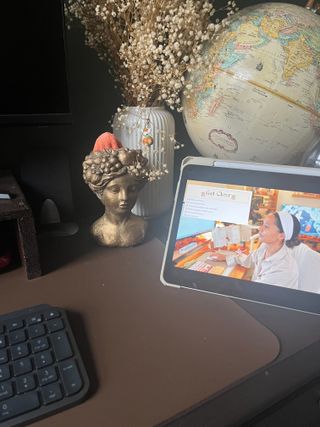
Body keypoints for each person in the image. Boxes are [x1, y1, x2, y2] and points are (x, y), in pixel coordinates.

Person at [211, 211, 301, 289]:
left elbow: (254, 292)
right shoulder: (265, 247)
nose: (259, 228)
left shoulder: (284, 269)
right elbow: (249, 260)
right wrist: (226, 257)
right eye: (262, 224)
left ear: (281, 235)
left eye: (266, 226)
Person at [82, 147, 149, 247]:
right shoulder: (97, 231)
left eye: (132, 189)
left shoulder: (143, 227)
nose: (124, 197)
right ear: (99, 192)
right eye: (115, 190)